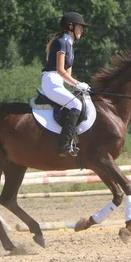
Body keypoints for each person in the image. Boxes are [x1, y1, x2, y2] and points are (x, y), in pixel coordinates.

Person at [41, 12, 91, 156]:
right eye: (80, 27)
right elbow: (60, 70)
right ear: (71, 26)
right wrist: (78, 84)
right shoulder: (62, 42)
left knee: (79, 102)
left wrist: (80, 86)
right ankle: (64, 145)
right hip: (51, 81)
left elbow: (67, 75)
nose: (81, 30)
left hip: (58, 83)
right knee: (76, 105)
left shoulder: (70, 46)